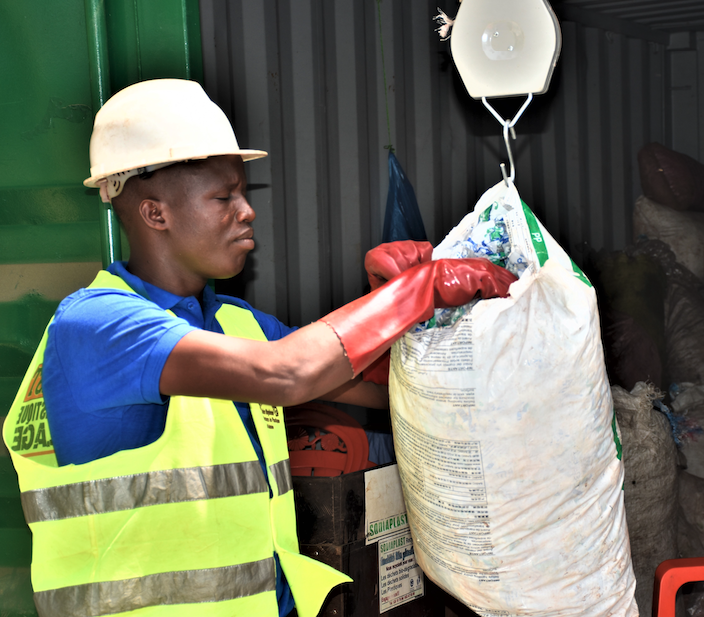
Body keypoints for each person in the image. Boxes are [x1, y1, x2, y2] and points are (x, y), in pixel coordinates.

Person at [3, 79, 516, 617]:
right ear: (156, 214)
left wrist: (390, 310)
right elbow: (284, 375)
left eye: (243, 193)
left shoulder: (237, 323)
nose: (247, 211)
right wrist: (415, 291)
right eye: (223, 198)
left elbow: (377, 388)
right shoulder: (95, 326)